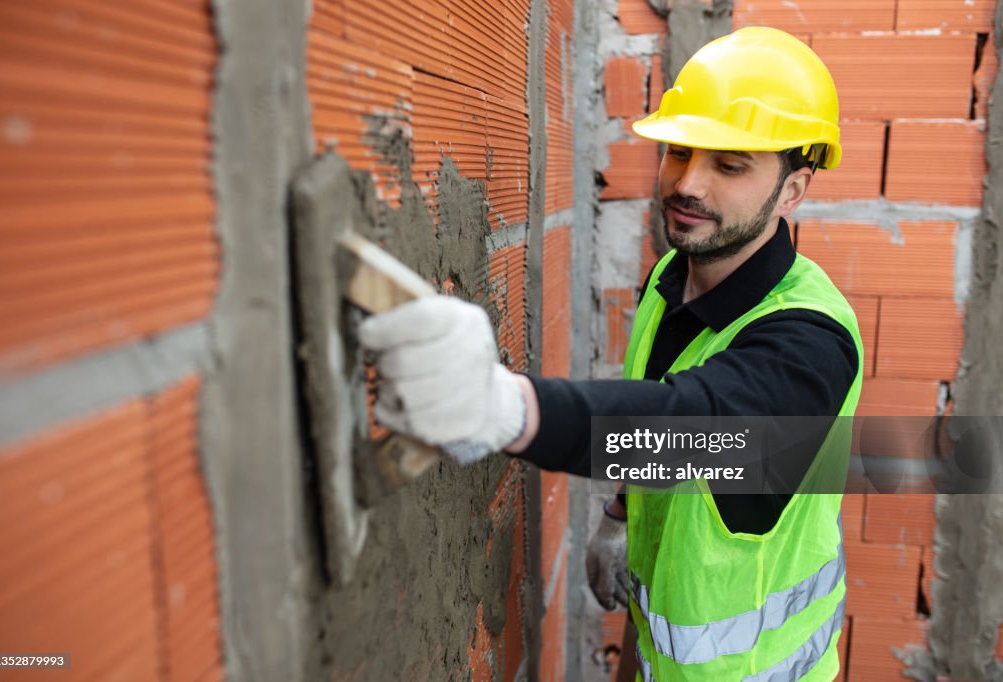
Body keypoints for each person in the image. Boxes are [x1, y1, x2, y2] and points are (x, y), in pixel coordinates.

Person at [359, 26, 862, 682]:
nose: (688, 184)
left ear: (793, 191)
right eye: (680, 151)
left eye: (729, 165)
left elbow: (698, 429)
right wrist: (621, 516)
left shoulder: (812, 341)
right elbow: (660, 412)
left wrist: (506, 408)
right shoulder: (672, 277)